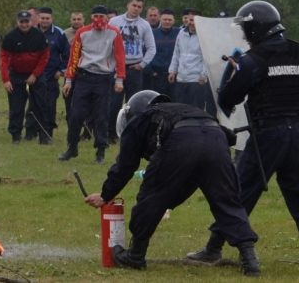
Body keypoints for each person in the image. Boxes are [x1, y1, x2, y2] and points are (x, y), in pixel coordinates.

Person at [186, 0, 299, 264]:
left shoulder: (252, 60)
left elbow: (228, 99)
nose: (244, 34)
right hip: (297, 133)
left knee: (241, 190)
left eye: (246, 28)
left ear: (256, 28)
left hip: (268, 135)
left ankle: (214, 247)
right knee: (295, 191)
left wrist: (233, 73)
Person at [84, 90, 260, 275]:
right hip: (217, 139)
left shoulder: (142, 118)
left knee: (151, 196)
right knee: (227, 201)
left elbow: (125, 166)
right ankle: (250, 260)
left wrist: (106, 195)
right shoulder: (183, 109)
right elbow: (227, 136)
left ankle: (135, 255)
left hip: (182, 141)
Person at [59, 5, 125, 163]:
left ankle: (100, 151)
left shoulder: (114, 32)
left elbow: (120, 56)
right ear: (91, 18)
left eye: (102, 17)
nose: (99, 20)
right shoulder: (82, 32)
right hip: (84, 77)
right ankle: (72, 147)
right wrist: (68, 80)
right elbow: (74, 58)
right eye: (96, 16)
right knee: (75, 115)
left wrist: (119, 79)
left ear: (106, 18)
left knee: (101, 116)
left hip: (103, 78)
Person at [108, 0, 156, 142]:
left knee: (133, 104)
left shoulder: (144, 25)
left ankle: (131, 134)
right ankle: (111, 134)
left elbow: (151, 48)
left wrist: (142, 64)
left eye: (139, 6)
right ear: (128, 5)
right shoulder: (114, 22)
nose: (136, 8)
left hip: (135, 68)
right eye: (134, 5)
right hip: (117, 69)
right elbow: (107, 44)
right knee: (114, 103)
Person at [0, 10, 49, 144]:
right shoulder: (10, 37)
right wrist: (6, 79)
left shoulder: (39, 35)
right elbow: (4, 59)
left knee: (40, 105)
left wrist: (35, 74)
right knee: (16, 107)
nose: (24, 24)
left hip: (36, 75)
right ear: (18, 22)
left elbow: (44, 57)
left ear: (31, 22)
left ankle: (43, 135)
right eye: (22, 22)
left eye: (27, 22)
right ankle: (15, 135)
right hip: (16, 75)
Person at [34, 7, 70, 142]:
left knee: (49, 107)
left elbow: (67, 55)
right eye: (42, 18)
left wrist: (61, 71)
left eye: (47, 18)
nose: (44, 21)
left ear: (51, 19)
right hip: (34, 77)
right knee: (34, 106)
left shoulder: (59, 34)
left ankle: (47, 134)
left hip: (50, 77)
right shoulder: (32, 32)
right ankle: (32, 132)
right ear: (38, 18)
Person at [167, 13, 211, 112]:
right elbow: (176, 53)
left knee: (195, 110)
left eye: (194, 20)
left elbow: (207, 58)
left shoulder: (204, 36)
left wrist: (204, 75)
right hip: (181, 79)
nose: (191, 23)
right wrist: (172, 71)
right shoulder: (181, 33)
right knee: (180, 109)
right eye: (190, 20)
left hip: (196, 80)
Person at [147, 9, 178, 98]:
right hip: (156, 75)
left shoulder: (179, 33)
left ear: (174, 21)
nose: (167, 22)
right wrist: (151, 71)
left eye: (169, 20)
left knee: (173, 102)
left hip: (173, 75)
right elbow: (146, 52)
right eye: (165, 19)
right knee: (157, 101)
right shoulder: (152, 33)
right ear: (160, 19)